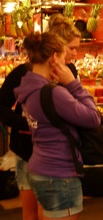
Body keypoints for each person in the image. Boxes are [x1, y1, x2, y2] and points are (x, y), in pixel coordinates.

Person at [0, 14, 85, 220]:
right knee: (32, 214)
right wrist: (27, 123)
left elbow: (76, 110)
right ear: (56, 50)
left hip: (55, 155)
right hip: (28, 151)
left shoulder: (69, 71)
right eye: (71, 48)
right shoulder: (22, 72)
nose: (75, 53)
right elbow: (1, 107)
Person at [14, 31, 100, 220]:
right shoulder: (53, 94)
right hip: (60, 175)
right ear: (54, 57)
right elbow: (93, 117)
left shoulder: (28, 89)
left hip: (39, 168)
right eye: (63, 56)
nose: (67, 62)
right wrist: (72, 83)